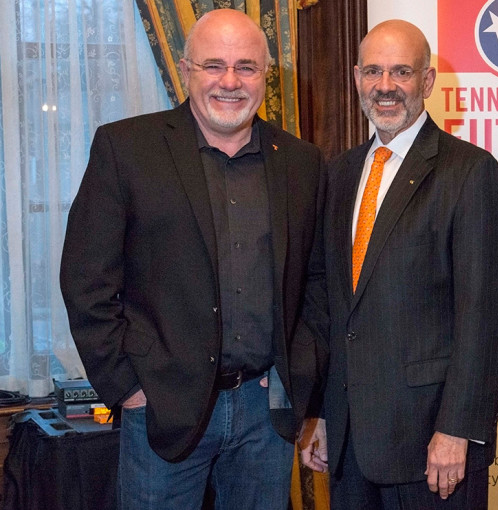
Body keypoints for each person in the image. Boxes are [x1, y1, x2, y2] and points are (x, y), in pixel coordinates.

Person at [59, 9, 325, 510]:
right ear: (185, 69)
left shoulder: (302, 162)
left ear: (266, 74)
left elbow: (316, 283)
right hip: (161, 407)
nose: (230, 81)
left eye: (246, 67)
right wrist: (128, 388)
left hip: (265, 414)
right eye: (213, 65)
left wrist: (300, 367)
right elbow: (85, 281)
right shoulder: (126, 148)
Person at [299, 19, 498, 510]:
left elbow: (487, 317)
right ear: (356, 77)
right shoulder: (338, 175)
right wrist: (324, 412)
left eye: (401, 71)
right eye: (373, 71)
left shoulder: (469, 172)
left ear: (427, 80)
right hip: (350, 447)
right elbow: (331, 307)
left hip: (432, 448)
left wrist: (457, 430)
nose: (385, 86)